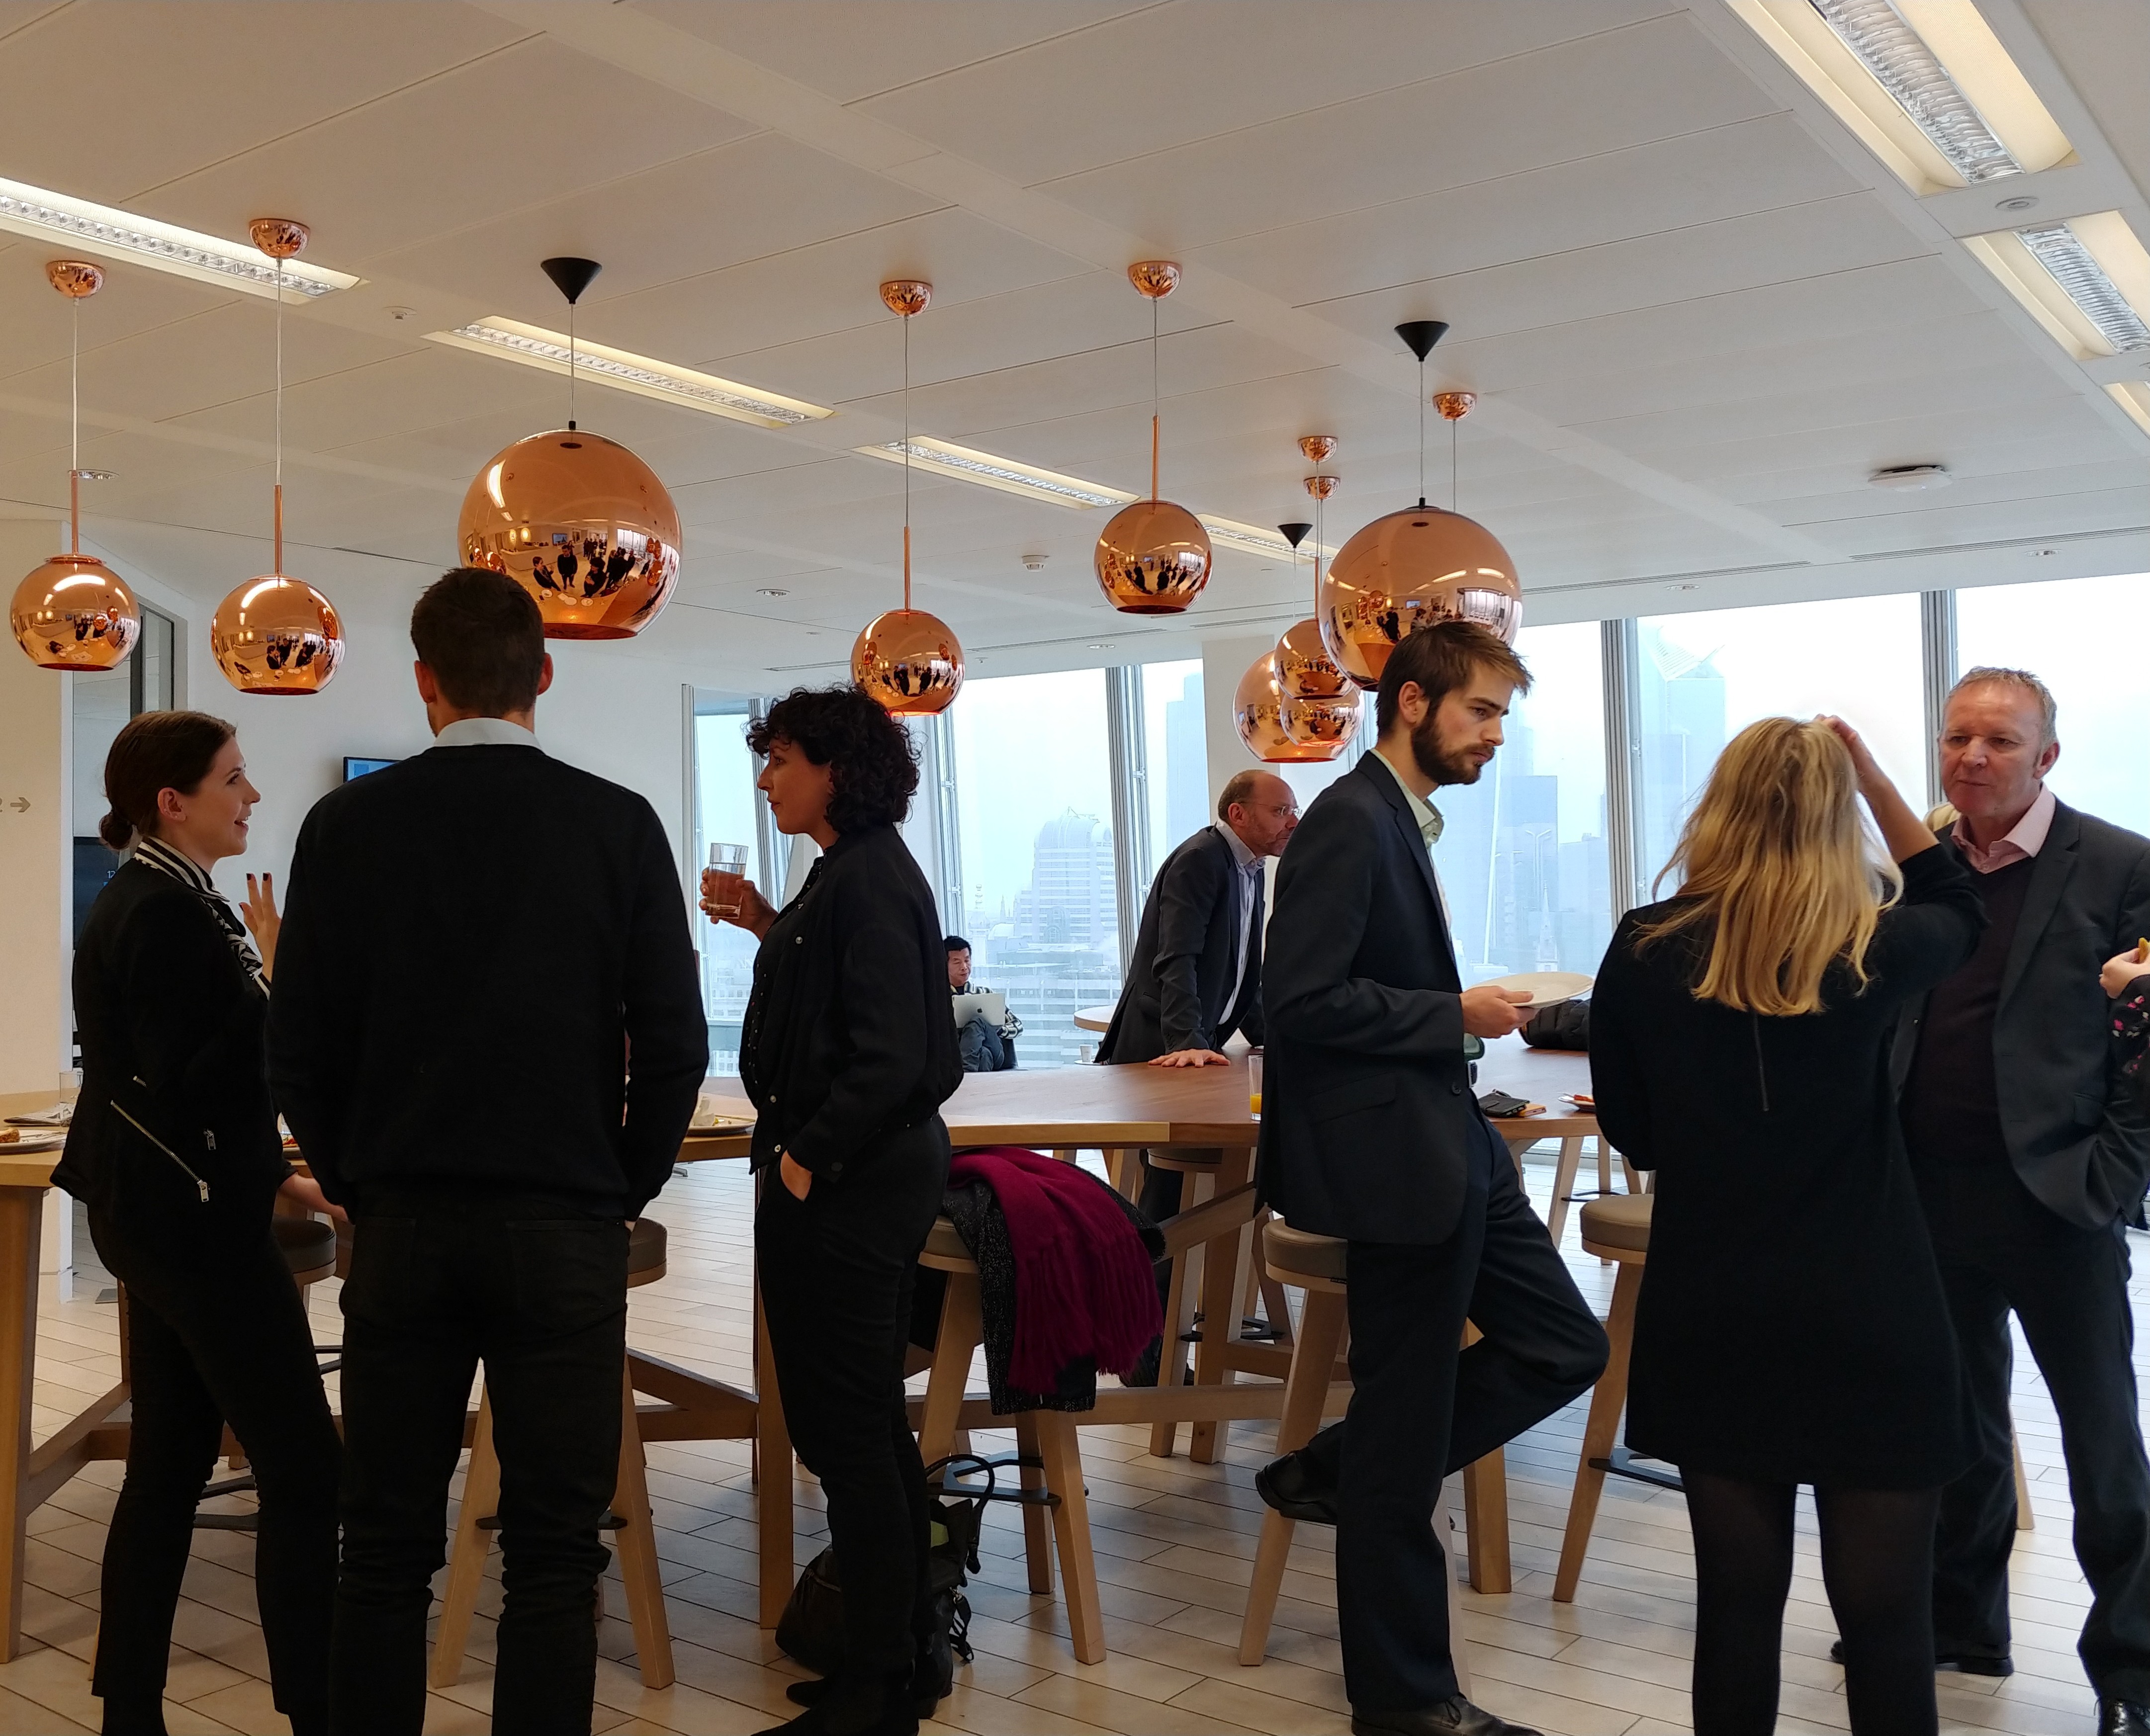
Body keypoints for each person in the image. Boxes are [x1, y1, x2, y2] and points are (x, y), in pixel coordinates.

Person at [267, 569, 707, 1736]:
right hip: (564, 1225)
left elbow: (298, 1045)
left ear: (421, 680)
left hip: (405, 1222)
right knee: (556, 1552)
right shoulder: (615, 823)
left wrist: (359, 1180)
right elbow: (673, 1040)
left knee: (385, 1546)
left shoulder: (345, 825)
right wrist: (623, 1178)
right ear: (544, 673)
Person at [1591, 716, 1982, 1736]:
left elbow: (1633, 1129)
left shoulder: (1641, 946)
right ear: (1833, 814)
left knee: (1733, 1609)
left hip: (1711, 1308)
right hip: (1871, 1310)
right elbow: (1956, 900)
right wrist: (1875, 782)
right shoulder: (1875, 946)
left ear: (1716, 807)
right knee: (1887, 1618)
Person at [1255, 620, 1608, 1736]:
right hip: (1396, 1162)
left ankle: (1347, 1466)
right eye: (1481, 712)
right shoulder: (1349, 824)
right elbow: (1296, 1006)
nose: (1496, 736)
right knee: (1406, 1454)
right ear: (1411, 703)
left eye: (1502, 715)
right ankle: (1405, 1703)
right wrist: (1448, 1014)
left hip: (1447, 1140)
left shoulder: (1399, 823)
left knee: (1567, 1344)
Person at [57, 712, 343, 1736]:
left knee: (171, 1463)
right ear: (171, 803)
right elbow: (206, 1075)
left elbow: (194, 1085)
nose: (251, 795)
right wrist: (291, 991)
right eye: (234, 778)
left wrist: (286, 1178)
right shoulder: (167, 912)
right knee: (307, 1472)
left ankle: (129, 1705)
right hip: (196, 1228)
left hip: (166, 1214)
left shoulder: (168, 897)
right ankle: (315, 1707)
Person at [1888, 667, 2150, 1732]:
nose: (1970, 758)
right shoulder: (1918, 871)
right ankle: (1961, 1624)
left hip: (2057, 1199)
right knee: (1955, 1428)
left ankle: (2130, 1668)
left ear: (2044, 756)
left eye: (1997, 740)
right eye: (1956, 738)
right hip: (1926, 1194)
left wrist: (2115, 1172)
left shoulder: (2122, 864)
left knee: (2100, 1445)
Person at [701, 685, 961, 1736]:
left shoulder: (864, 880)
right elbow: (841, 1004)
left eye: (781, 760)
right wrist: (768, 923)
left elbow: (897, 1057)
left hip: (852, 1181)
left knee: (846, 1432)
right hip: (853, 1177)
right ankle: (901, 1653)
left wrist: (807, 1156)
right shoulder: (845, 876)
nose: (766, 778)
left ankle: (874, 1690)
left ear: (835, 772)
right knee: (856, 1429)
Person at [1098, 770, 1298, 1359]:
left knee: (1187, 1195)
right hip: (1158, 1054)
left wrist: (1270, 1037)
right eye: (1281, 810)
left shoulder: (1252, 868)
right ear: (1238, 815)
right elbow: (1176, 960)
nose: (1293, 822)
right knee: (1165, 1197)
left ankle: (1175, 1335)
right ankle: (1145, 1352)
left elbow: (1243, 971)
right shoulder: (1200, 860)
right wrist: (1188, 1037)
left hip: (1193, 1048)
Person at [946, 935, 1019, 1072]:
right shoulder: (940, 1000)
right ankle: (978, 1084)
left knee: (976, 1023)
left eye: (967, 961)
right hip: (960, 1055)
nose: (964, 967)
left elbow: (1017, 1025)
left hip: (995, 1050)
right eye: (957, 962)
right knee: (984, 1054)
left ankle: (967, 1073)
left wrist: (996, 1029)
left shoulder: (985, 994)